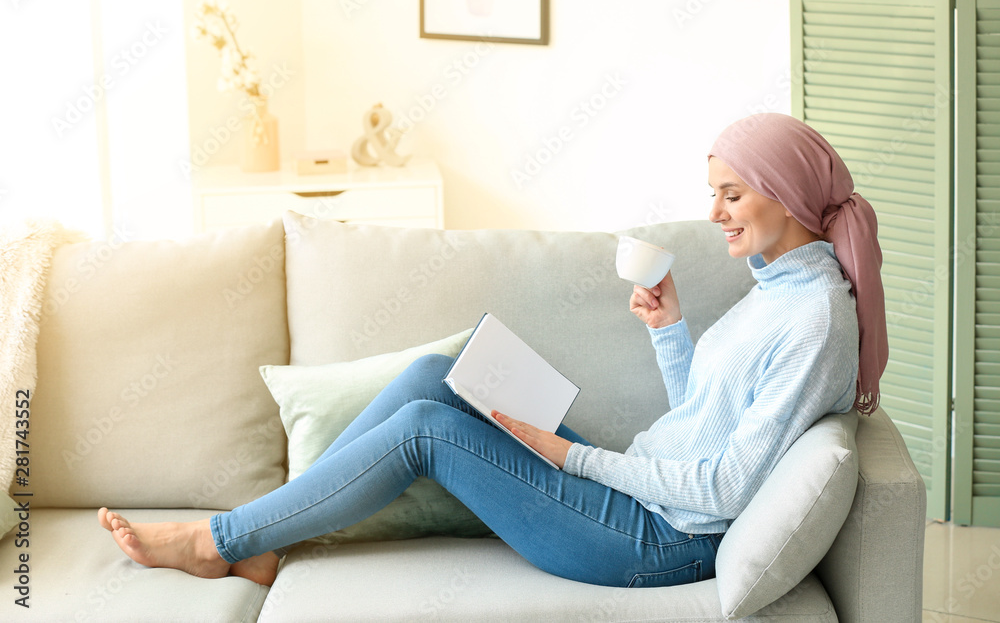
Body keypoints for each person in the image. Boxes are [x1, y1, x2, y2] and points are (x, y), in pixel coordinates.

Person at [98, 113, 887, 590]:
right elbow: (700, 422)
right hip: (643, 501)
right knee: (438, 376)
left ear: (784, 194)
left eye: (730, 194)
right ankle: (273, 539)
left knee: (424, 431)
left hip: (662, 541)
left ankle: (221, 539)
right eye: (712, 190)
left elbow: (723, 486)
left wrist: (568, 457)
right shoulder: (778, 283)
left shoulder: (814, 318)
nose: (711, 210)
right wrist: (669, 331)